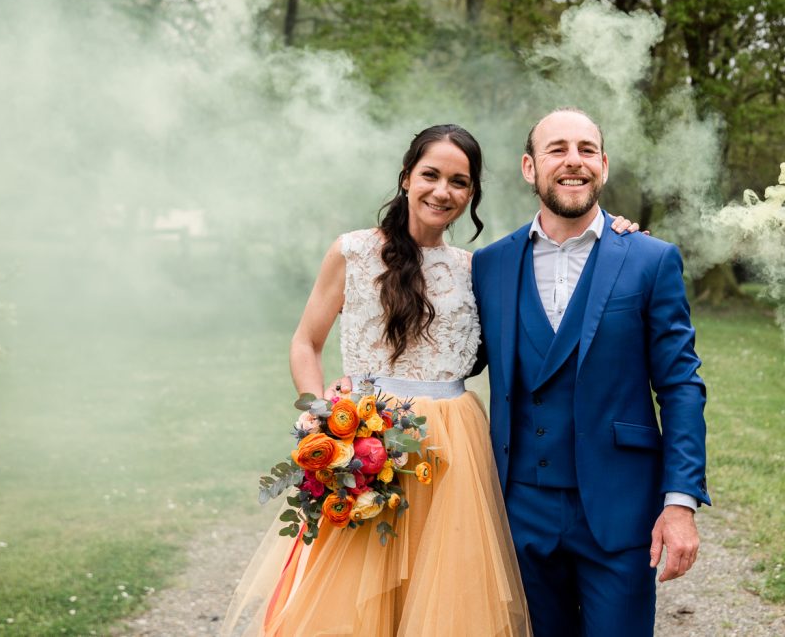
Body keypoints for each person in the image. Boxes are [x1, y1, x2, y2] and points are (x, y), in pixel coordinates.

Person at [223, 123, 637, 636]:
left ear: (471, 194)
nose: (443, 191)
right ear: (406, 178)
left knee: (447, 600)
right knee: (358, 595)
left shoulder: (475, 268)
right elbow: (305, 342)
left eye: (460, 182)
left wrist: (617, 235)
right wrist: (319, 415)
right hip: (369, 439)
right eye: (431, 175)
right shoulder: (352, 252)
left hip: (454, 452)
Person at [470, 108, 710, 636]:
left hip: (620, 511)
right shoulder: (488, 264)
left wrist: (680, 504)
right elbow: (451, 357)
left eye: (586, 150)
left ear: (603, 165)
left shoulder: (650, 259)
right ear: (530, 167)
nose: (572, 161)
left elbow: (680, 386)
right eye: (557, 149)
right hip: (519, 512)